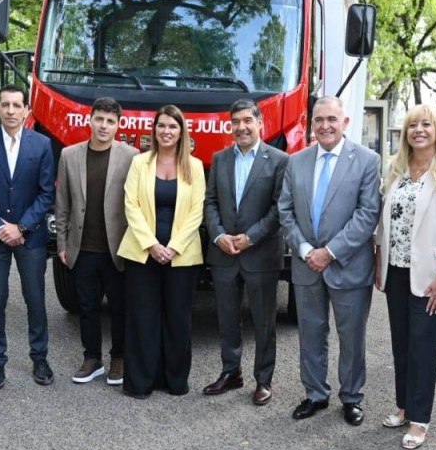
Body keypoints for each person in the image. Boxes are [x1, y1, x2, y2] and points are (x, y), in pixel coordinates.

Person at [278, 96, 381, 426]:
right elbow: (285, 210)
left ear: (345, 123)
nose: (325, 125)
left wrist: (330, 251)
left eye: (332, 120)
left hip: (348, 265)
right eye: (319, 119)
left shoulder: (367, 160)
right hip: (306, 264)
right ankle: (314, 394)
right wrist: (307, 250)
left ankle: (351, 397)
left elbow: (367, 215)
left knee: (351, 336)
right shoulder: (296, 162)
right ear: (312, 124)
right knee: (311, 332)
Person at [375, 104, 436, 449]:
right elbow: (384, 225)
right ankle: (403, 406)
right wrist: (378, 261)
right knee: (401, 344)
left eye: (426, 124)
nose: (419, 130)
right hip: (397, 273)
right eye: (413, 125)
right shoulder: (395, 168)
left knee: (423, 348)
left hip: (432, 276)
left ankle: (419, 420)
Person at [0, 85, 55, 392]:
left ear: (26, 110)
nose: (10, 110)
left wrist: (22, 227)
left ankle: (40, 358)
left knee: (35, 300)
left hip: (30, 238)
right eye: (5, 104)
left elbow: (47, 193)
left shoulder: (42, 144)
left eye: (16, 105)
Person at [201, 99, 288, 406]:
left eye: (247, 121)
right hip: (224, 253)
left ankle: (263, 380)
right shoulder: (220, 159)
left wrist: (251, 237)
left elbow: (280, 208)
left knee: (264, 322)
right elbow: (209, 202)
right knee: (226, 318)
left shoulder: (278, 160)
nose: (241, 127)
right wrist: (219, 235)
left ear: (259, 123)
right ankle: (231, 372)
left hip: (260, 254)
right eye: (235, 122)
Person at [117, 105, 205, 398]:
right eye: (162, 126)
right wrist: (152, 245)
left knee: (177, 318)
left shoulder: (195, 166)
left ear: (182, 132)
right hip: (142, 253)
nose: (166, 131)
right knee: (143, 317)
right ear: (154, 130)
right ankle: (141, 382)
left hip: (182, 255)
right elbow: (131, 205)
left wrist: (173, 247)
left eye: (173, 126)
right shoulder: (139, 163)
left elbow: (196, 212)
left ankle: (174, 381)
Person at [54, 97, 136, 386]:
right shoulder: (69, 155)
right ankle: (92, 358)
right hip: (82, 247)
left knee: (120, 307)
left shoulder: (131, 156)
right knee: (87, 307)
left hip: (118, 249)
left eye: (110, 121)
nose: (104, 125)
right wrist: (62, 243)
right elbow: (62, 203)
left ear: (118, 125)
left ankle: (119, 358)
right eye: (99, 119)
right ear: (90, 120)